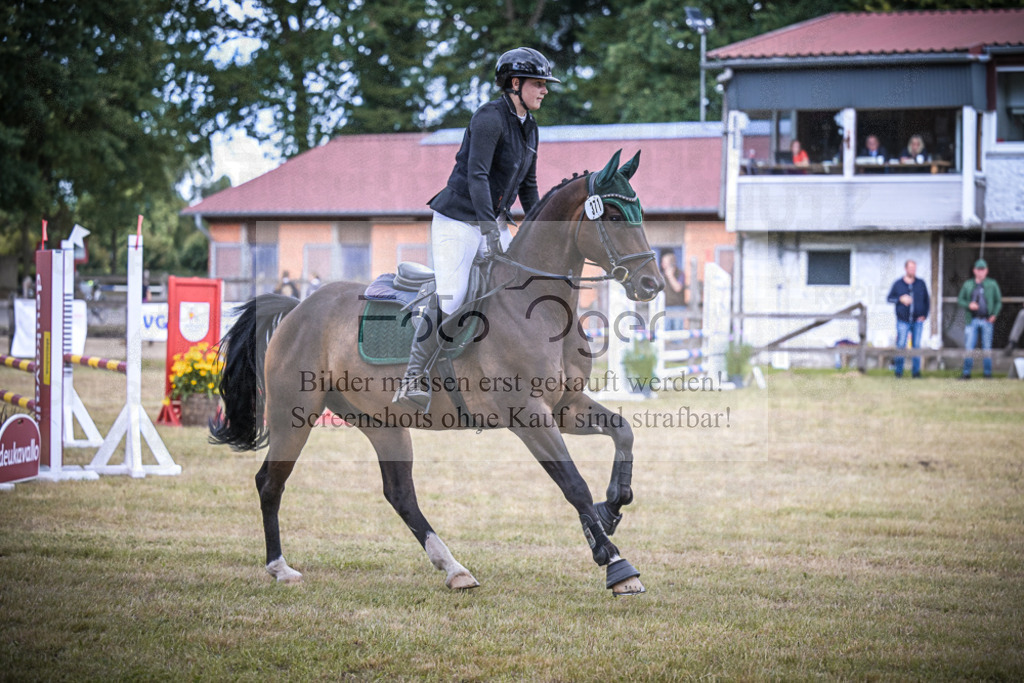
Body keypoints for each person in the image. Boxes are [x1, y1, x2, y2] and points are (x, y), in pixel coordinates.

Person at [393, 47, 561, 410]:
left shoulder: (530, 127)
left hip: (492, 220)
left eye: (544, 84)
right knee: (453, 296)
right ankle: (413, 376)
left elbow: (529, 185)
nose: (544, 90)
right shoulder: (489, 118)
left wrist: (540, 229)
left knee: (519, 285)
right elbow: (477, 175)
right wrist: (488, 230)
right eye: (538, 83)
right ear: (515, 84)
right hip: (458, 220)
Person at [957, 259, 1002, 379]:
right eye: (978, 269)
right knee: (969, 347)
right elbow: (960, 299)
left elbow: (998, 301)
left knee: (987, 348)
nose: (981, 272)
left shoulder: (992, 284)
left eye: (983, 270)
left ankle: (987, 374)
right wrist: (969, 305)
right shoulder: (968, 284)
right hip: (972, 320)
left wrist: (994, 315)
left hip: (987, 320)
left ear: (986, 271)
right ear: (974, 271)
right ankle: (966, 373)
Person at [886, 259, 930, 378]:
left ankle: (916, 372)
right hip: (903, 320)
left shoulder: (920, 283)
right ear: (906, 269)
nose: (913, 270)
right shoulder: (898, 284)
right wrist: (900, 299)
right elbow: (889, 298)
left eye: (914, 268)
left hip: (917, 321)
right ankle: (898, 372)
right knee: (901, 344)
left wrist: (925, 315)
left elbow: (927, 300)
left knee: (916, 345)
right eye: (910, 268)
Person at [659, 250, 687, 331]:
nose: (662, 264)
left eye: (664, 262)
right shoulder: (661, 276)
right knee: (666, 331)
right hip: (665, 307)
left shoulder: (680, 274)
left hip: (678, 307)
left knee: (677, 331)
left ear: (671, 263)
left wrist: (670, 276)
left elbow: (678, 288)